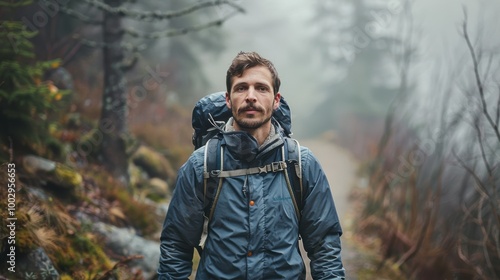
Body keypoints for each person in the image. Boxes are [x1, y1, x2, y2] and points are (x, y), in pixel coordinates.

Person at [157, 51, 345, 279]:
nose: (251, 96)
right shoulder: (202, 165)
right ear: (228, 99)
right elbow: (176, 245)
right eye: (241, 88)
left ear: (276, 100)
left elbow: (325, 245)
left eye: (261, 88)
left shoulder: (301, 164)